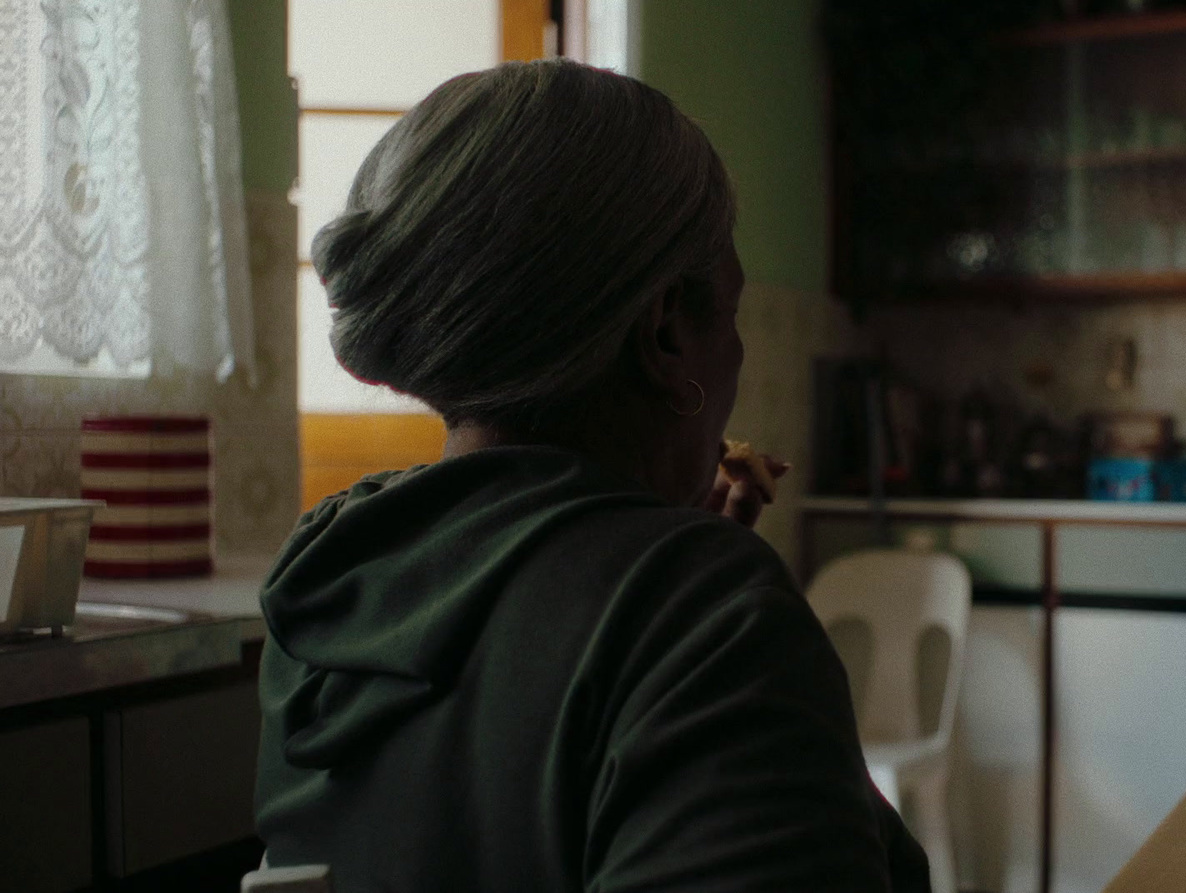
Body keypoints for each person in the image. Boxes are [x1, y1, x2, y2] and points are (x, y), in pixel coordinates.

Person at [254, 60, 930, 893]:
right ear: (664, 332)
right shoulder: (707, 613)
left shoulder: (335, 570)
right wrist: (705, 612)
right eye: (733, 309)